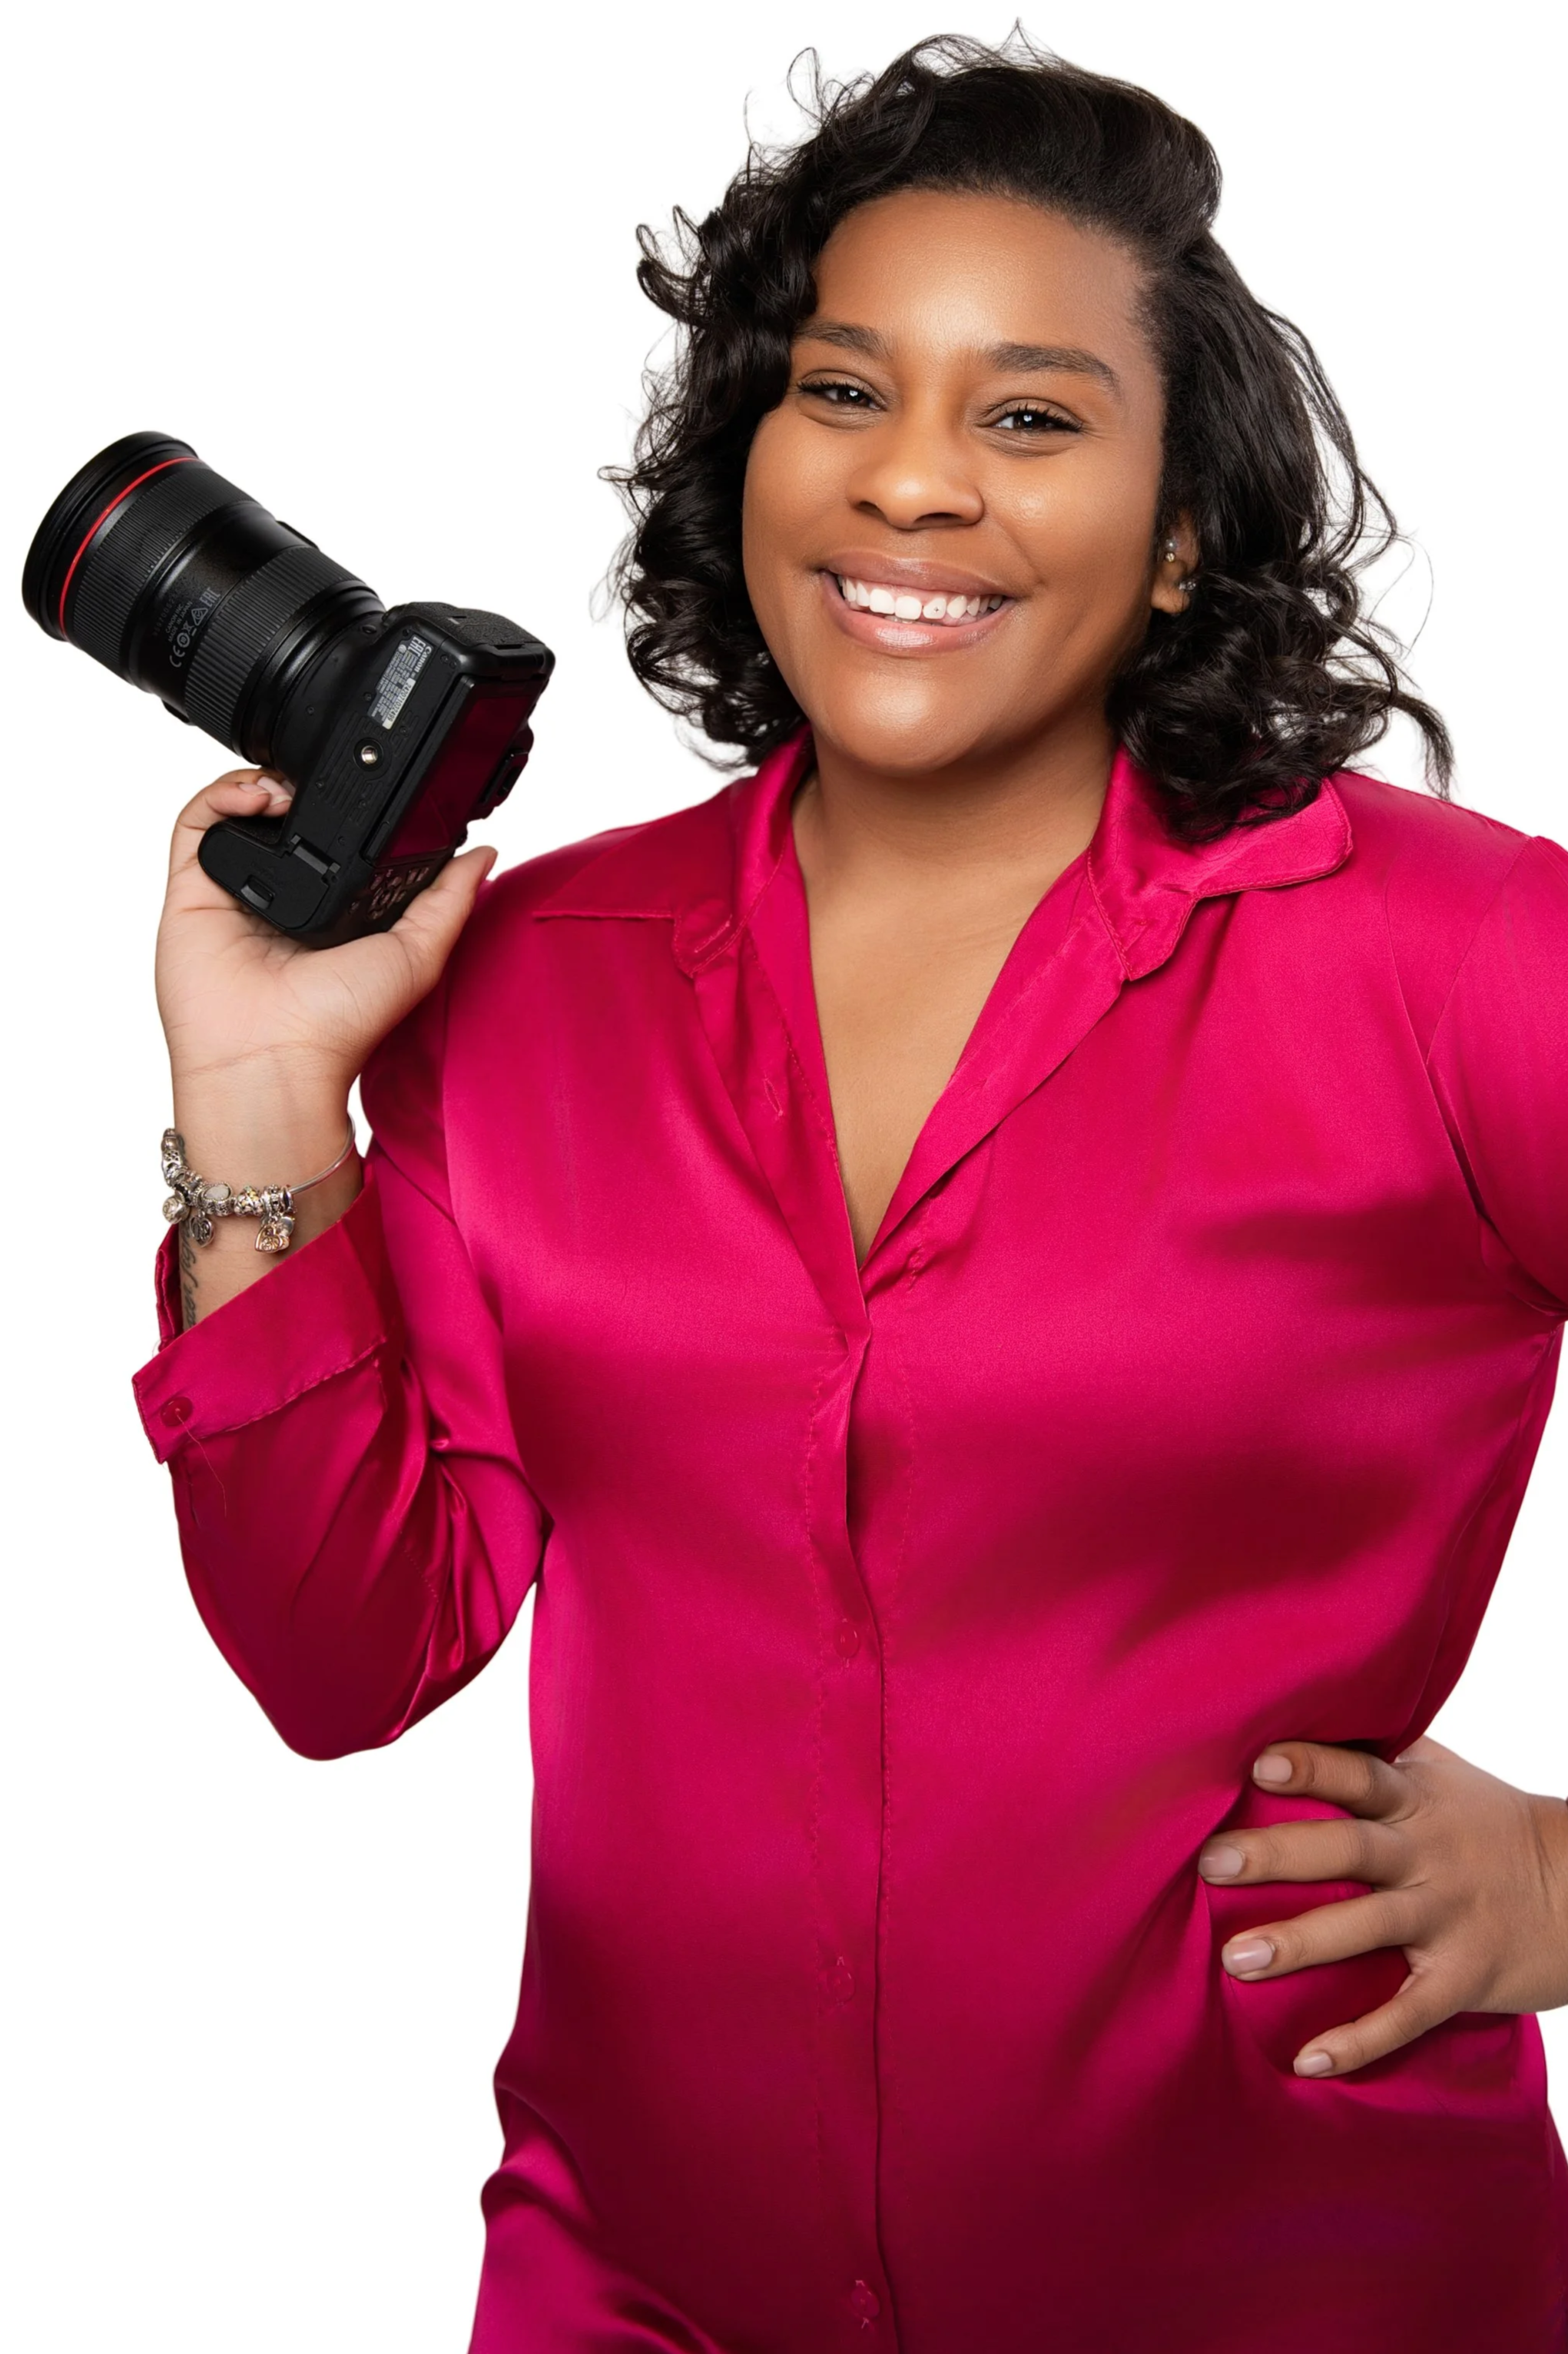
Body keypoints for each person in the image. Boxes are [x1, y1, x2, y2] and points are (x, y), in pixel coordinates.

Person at [134, 35, 1568, 2354]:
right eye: (842, 392)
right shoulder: (528, 986)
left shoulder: (1462, 965)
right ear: (752, 454)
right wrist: (265, 1100)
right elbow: (342, 1654)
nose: (912, 481)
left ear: (1180, 526)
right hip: (637, 2294)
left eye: (1033, 417)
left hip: (1305, 2298)